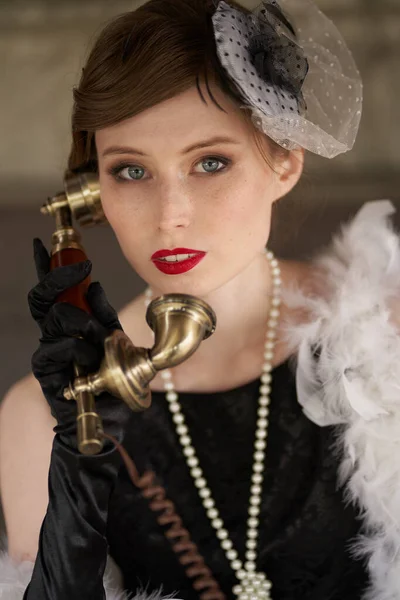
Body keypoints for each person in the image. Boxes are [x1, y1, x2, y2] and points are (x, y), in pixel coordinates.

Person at [1, 0, 399, 598]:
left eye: (211, 162)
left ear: (285, 160)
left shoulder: (390, 335)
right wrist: (77, 475)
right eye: (131, 171)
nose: (171, 217)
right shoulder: (43, 416)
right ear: (91, 193)